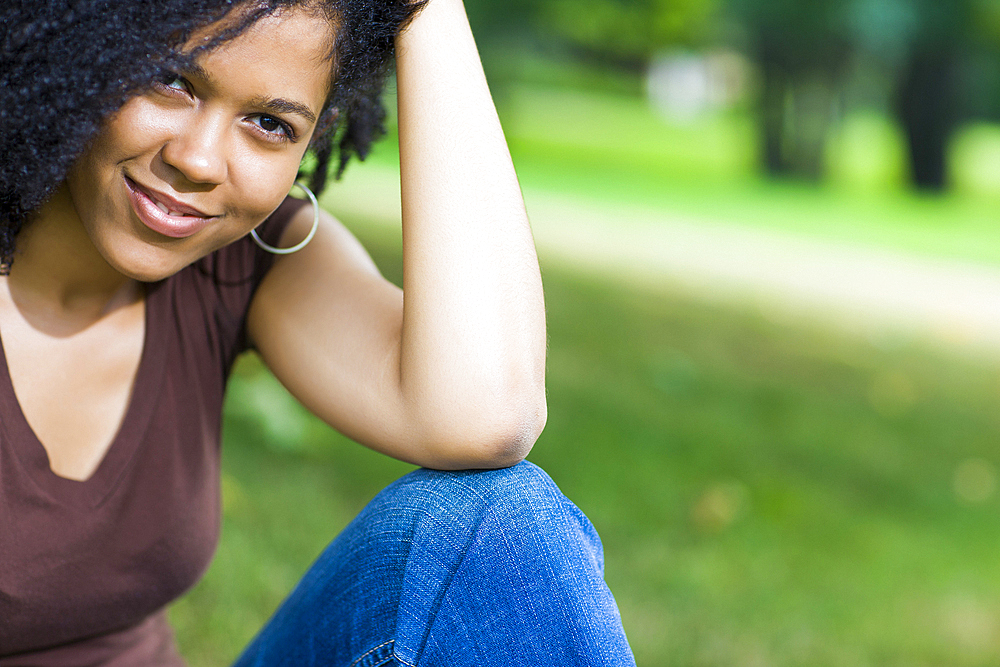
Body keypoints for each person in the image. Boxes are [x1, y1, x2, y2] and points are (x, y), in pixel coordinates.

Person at [0, 0, 637, 664]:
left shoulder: (245, 260)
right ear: (76, 45)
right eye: (170, 80)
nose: (198, 160)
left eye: (269, 124)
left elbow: (485, 409)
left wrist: (428, 8)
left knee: (500, 525)